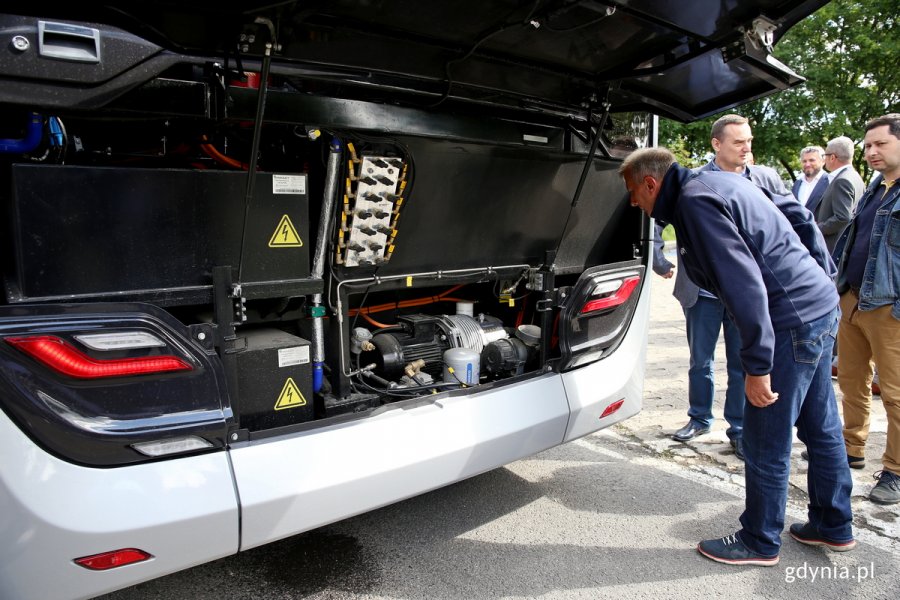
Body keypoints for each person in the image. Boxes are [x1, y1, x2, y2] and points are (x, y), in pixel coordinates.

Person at [619, 146, 853, 566]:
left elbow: (745, 285)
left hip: (789, 322)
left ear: (651, 183)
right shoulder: (724, 180)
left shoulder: (694, 202)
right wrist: (822, 273)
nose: (633, 202)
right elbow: (798, 217)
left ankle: (760, 540)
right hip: (817, 306)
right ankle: (833, 524)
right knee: (822, 426)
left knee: (766, 436)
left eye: (634, 193)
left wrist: (758, 366)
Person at [669, 114, 787, 461]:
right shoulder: (694, 181)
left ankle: (738, 428)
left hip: (747, 296)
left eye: (749, 141)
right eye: (738, 142)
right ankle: (698, 418)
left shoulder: (764, 178)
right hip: (703, 293)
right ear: (716, 144)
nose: (746, 147)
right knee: (699, 361)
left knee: (742, 363)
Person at [833, 114, 900, 505]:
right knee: (851, 381)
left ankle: (894, 470)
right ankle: (851, 449)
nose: (872, 152)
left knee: (894, 394)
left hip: (889, 307)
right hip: (852, 299)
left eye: (881, 144)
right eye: (868, 145)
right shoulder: (876, 186)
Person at [818, 136, 865, 253]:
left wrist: (817, 228)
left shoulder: (841, 180)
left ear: (832, 157)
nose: (824, 160)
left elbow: (842, 217)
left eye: (825, 156)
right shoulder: (855, 177)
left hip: (833, 247)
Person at [792, 146, 830, 211]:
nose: (807, 164)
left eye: (811, 160)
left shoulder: (830, 182)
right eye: (804, 161)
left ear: (823, 161)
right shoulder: (797, 183)